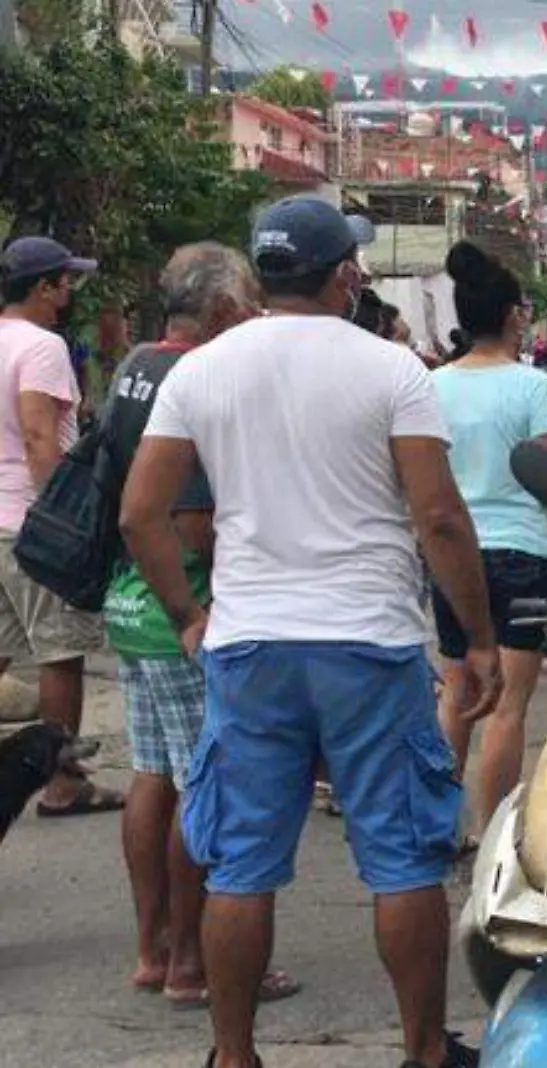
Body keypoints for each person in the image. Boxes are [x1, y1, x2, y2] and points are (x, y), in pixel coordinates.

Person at [120, 196, 493, 1068]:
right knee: (401, 860)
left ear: (260, 275)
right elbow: (437, 517)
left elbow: (141, 514)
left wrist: (188, 616)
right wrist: (476, 637)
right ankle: (424, 1053)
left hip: (250, 645)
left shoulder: (201, 371)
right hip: (368, 640)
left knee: (243, 864)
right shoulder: (392, 367)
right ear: (341, 276)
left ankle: (235, 1055)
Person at [102, 244, 300, 1008]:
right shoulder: (193, 377)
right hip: (176, 605)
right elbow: (188, 521)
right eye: (248, 305)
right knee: (201, 786)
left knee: (152, 777)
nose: (254, 319)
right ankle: (193, 963)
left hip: (129, 599)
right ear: (219, 310)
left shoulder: (136, 365)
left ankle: (152, 949)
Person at [430, 242, 547, 839]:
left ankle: (442, 827)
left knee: (457, 691)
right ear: (514, 315)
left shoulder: (431, 385)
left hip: (452, 556)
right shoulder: (533, 387)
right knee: (508, 706)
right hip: (523, 557)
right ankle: (492, 834)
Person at [0, 236, 117, 816]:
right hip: (29, 522)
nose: (71, 292)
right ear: (42, 287)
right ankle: (64, 784)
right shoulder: (41, 347)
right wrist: (60, 518)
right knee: (59, 653)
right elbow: (40, 434)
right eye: (65, 282)